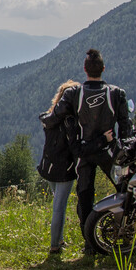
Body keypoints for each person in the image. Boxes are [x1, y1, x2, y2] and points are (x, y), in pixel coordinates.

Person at [47, 49, 133, 253]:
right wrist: (125, 150)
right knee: (123, 190)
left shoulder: (74, 93)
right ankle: (125, 235)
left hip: (83, 153)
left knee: (85, 197)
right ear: (103, 69)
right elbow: (125, 125)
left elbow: (55, 116)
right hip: (109, 152)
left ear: (84, 70)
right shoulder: (116, 93)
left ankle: (90, 243)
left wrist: (45, 119)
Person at [38, 80, 80, 257]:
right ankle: (54, 245)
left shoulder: (49, 117)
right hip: (64, 168)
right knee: (59, 207)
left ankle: (60, 239)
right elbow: (74, 146)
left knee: (57, 202)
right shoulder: (70, 120)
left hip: (49, 165)